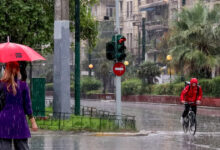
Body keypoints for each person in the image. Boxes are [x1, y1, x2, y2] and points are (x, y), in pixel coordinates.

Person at [0, 62, 38, 150]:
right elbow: (27, 106)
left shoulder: (1, 85)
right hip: (19, 120)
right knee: (22, 147)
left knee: (4, 147)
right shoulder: (23, 85)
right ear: (18, 70)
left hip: (4, 120)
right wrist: (33, 122)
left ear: (6, 70)